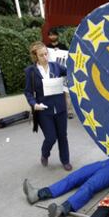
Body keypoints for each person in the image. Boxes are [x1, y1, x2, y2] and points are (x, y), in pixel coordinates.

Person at [22, 158, 109, 217]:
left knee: (90, 185)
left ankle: (61, 209)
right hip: (107, 161)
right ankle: (38, 194)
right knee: (74, 176)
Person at [24, 41, 72, 171]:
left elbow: (70, 71)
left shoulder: (56, 66)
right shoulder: (31, 71)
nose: (45, 57)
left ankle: (65, 160)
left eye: (46, 54)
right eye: (41, 55)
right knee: (51, 137)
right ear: (35, 57)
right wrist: (34, 104)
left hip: (60, 107)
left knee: (63, 136)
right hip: (44, 110)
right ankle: (45, 154)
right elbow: (28, 91)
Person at [45, 28, 74, 119]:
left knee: (66, 93)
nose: (52, 36)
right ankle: (57, 112)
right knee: (54, 94)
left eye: (54, 35)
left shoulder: (63, 46)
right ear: (49, 36)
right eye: (51, 35)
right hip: (53, 75)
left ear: (57, 36)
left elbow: (68, 57)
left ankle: (69, 112)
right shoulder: (47, 48)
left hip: (63, 73)